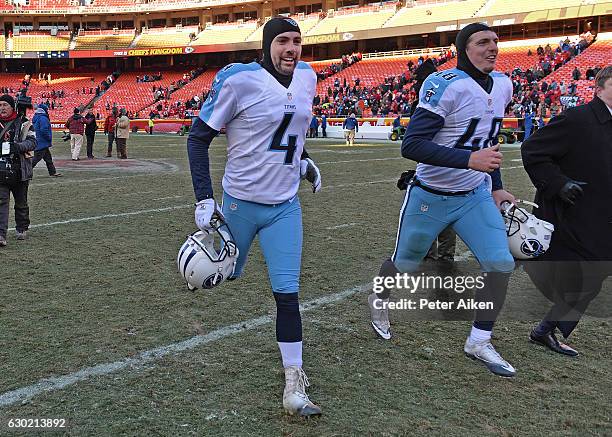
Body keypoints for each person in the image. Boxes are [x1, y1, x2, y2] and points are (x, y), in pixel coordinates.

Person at [187, 16, 323, 416]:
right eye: (283, 41)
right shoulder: (239, 79)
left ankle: (294, 381)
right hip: (239, 205)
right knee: (212, 276)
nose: (292, 49)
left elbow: (291, 132)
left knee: (288, 294)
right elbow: (198, 138)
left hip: (285, 207)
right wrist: (204, 199)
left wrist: (304, 162)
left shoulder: (308, 78)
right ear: (267, 46)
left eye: (297, 41)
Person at [368, 23, 517, 377]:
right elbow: (412, 145)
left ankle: (479, 341)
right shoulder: (443, 84)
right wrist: (469, 161)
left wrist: (495, 184)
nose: (493, 47)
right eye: (483, 42)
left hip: (473, 194)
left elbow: (487, 144)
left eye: (496, 41)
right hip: (431, 195)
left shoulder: (504, 84)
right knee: (404, 263)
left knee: (500, 263)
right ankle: (380, 297)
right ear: (464, 48)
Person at [521, 66, 612, 356]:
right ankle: (545, 329)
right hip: (574, 215)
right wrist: (559, 184)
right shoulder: (577, 118)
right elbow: (533, 149)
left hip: (602, 217)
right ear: (598, 88)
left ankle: (546, 329)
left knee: (593, 277)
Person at [0, 94, 37, 247]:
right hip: (1, 169)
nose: (2, 108)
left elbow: (33, 142)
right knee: (1, 202)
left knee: (21, 202)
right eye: (0, 105)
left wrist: (18, 147)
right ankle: (1, 235)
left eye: (5, 105)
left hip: (20, 168)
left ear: (12, 106)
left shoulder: (25, 123)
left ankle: (21, 228)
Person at [31, 103, 61, 177]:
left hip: (39, 141)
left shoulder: (37, 117)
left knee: (48, 158)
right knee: (35, 160)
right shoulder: (43, 118)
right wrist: (48, 137)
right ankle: (24, 172)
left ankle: (53, 172)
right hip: (42, 142)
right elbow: (44, 129)